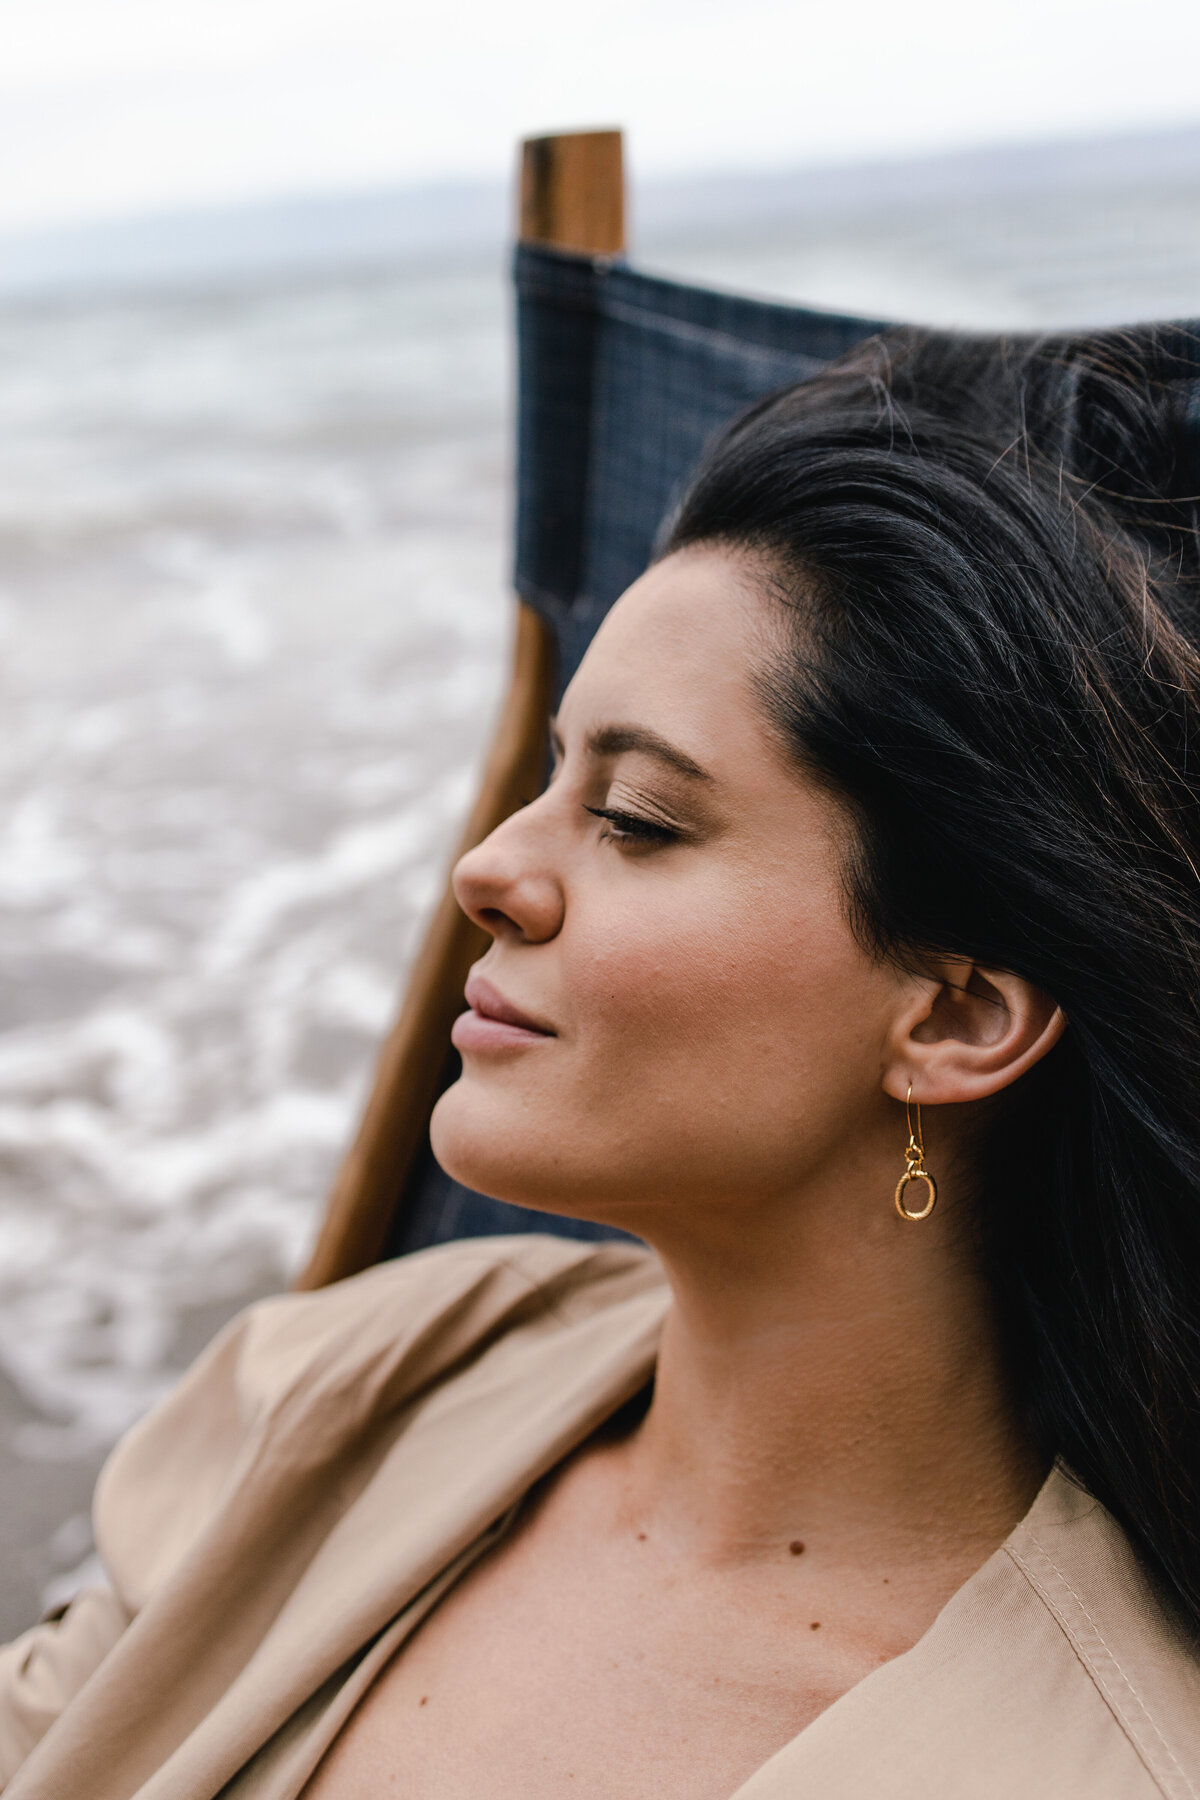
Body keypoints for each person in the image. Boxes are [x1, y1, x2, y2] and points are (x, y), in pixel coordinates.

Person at [2, 330, 1199, 1800]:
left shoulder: (1100, 1760)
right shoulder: (342, 1394)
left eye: (635, 817)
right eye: (550, 774)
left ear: (954, 1017)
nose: (490, 865)